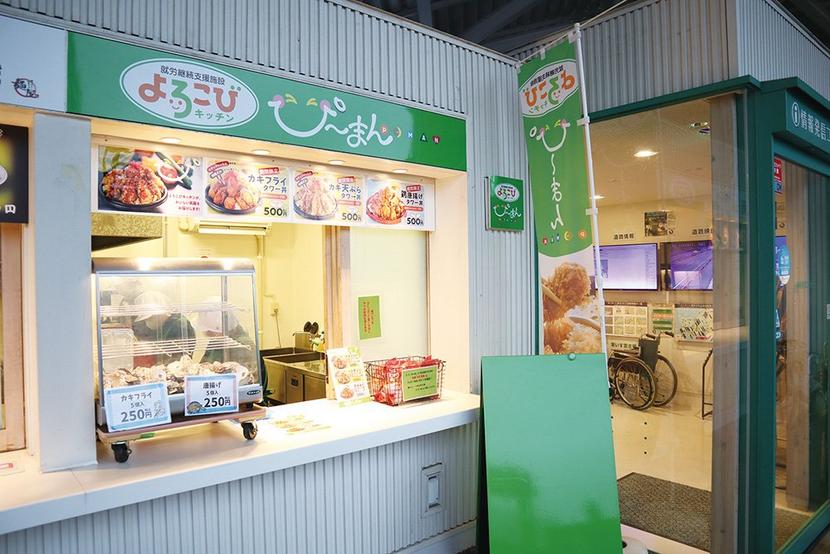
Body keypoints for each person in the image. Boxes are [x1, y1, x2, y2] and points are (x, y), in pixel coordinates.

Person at [132, 290, 196, 366]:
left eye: (149, 318)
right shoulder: (161, 324)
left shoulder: (179, 324)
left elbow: (180, 358)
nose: (147, 322)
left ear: (160, 313)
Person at [195, 296, 255, 363]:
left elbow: (243, 368)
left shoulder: (242, 345)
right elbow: (204, 363)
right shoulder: (216, 340)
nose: (207, 333)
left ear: (219, 327)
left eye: (210, 331)